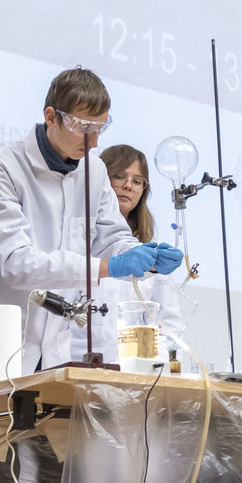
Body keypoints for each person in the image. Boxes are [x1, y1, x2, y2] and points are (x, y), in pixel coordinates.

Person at [0, 68, 183, 374]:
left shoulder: (94, 170)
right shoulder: (1, 168)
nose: (93, 142)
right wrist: (110, 266)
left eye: (100, 128)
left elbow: (110, 240)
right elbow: (17, 264)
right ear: (52, 117)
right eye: (83, 128)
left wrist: (146, 259)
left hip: (53, 350)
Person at [80, 144, 186, 364]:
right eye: (119, 176)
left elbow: (169, 324)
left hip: (134, 370)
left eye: (137, 181)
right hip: (75, 360)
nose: (128, 185)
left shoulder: (151, 250)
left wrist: (157, 368)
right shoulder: (78, 238)